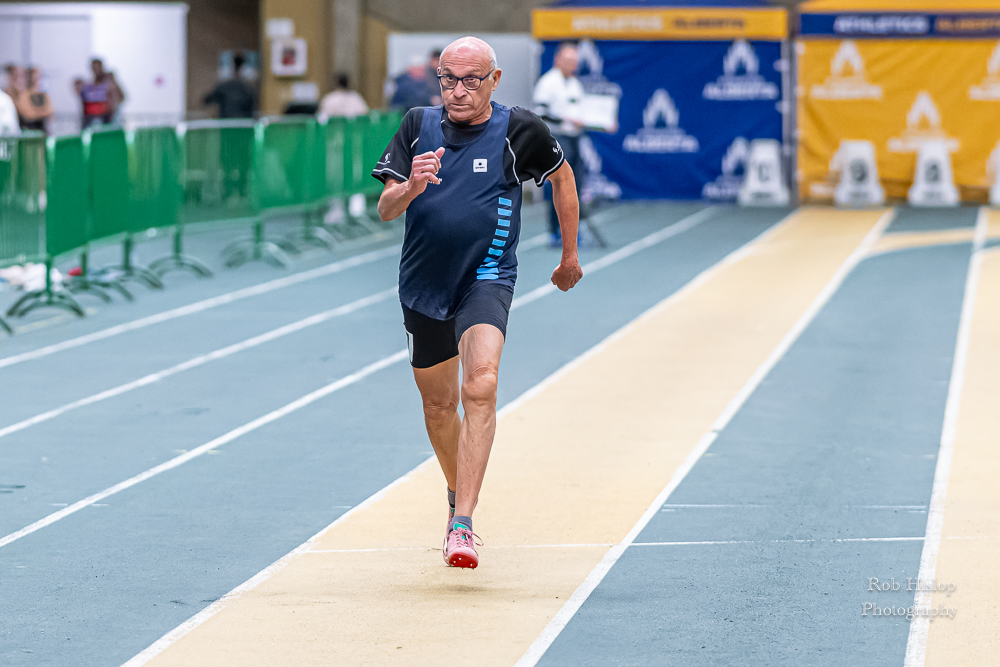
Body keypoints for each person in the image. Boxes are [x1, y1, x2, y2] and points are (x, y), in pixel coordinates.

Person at [373, 36, 583, 569]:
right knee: (439, 407)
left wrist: (569, 255)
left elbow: (563, 177)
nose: (458, 91)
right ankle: (456, 491)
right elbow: (385, 209)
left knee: (481, 384)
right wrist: (411, 185)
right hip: (423, 283)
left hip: (487, 276)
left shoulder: (519, 130)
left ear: (494, 80)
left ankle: (462, 525)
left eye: (471, 80)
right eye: (448, 79)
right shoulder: (416, 125)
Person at [533, 43, 587, 247]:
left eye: (575, 61)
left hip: (573, 139)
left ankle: (572, 230)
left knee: (575, 185)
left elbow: (582, 113)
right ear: (558, 60)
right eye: (568, 60)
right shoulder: (547, 83)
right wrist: (566, 120)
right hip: (556, 139)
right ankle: (555, 231)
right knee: (559, 185)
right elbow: (540, 113)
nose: (572, 64)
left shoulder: (575, 84)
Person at [203, 53, 256, 119]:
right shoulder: (247, 89)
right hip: (238, 124)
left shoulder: (224, 87)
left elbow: (207, 100)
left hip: (229, 123)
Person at [79, 58, 124, 129]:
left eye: (98, 68)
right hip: (90, 118)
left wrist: (113, 82)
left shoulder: (109, 84)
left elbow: (121, 98)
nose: (96, 70)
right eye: (94, 68)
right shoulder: (88, 86)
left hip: (106, 117)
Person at [15, 68, 54, 133]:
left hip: (43, 130)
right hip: (29, 131)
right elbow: (28, 114)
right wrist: (42, 113)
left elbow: (50, 112)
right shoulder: (25, 95)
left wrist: (38, 113)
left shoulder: (44, 95)